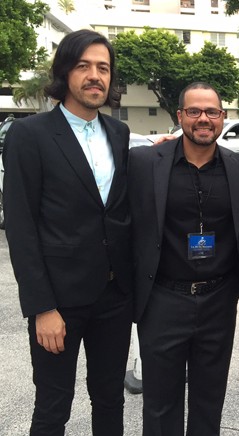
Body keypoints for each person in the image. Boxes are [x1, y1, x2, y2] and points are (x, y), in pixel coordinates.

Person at [2, 29, 133, 435]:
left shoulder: (119, 133)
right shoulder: (30, 134)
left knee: (110, 399)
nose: (95, 76)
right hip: (59, 301)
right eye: (84, 66)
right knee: (53, 406)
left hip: (114, 297)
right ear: (65, 73)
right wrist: (42, 307)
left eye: (103, 68)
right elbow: (21, 226)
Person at [129, 82, 239, 435]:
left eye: (212, 112)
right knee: (159, 402)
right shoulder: (143, 162)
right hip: (162, 300)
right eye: (194, 111)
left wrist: (236, 287)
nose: (204, 119)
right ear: (180, 116)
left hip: (218, 299)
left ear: (223, 117)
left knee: (209, 399)